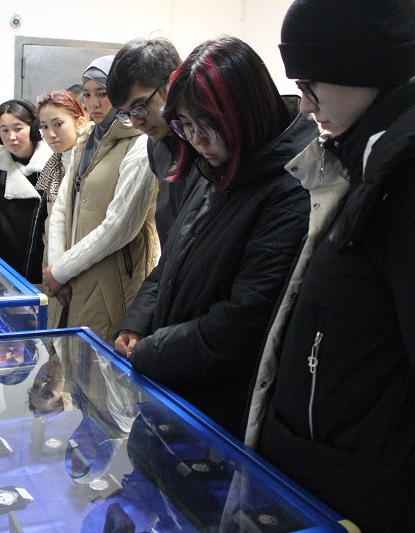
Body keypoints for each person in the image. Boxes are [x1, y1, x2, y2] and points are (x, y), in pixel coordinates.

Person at [243, 1, 415, 529]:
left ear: (362, 67)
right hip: (330, 497)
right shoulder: (372, 163)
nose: (303, 105)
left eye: (310, 84)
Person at [115, 37, 315, 437]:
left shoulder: (290, 189)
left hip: (220, 410)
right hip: (178, 383)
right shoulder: (215, 165)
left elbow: (242, 323)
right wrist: (137, 323)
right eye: (184, 126)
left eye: (205, 125)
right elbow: (172, 261)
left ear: (244, 111)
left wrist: (152, 351)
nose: (196, 139)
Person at [44, 56, 158, 376]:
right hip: (74, 274)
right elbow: (62, 208)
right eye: (87, 94)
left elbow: (120, 226)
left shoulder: (140, 144)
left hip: (113, 278)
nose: (94, 103)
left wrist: (61, 270)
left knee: (105, 374)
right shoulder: (87, 139)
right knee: (74, 368)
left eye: (103, 93)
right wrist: (57, 269)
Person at [107, 38, 188, 248]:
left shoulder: (207, 145)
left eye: (140, 106)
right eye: (126, 113)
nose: (135, 122)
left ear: (173, 82)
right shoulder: (156, 146)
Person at [0, 99, 53, 283]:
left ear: (33, 128)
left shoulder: (52, 164)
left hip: (44, 262)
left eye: (18, 128)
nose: (11, 137)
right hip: (3, 266)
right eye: (4, 130)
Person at [35, 90, 88, 328]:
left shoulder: (88, 160)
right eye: (44, 127)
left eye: (58, 124)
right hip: (54, 263)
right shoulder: (55, 163)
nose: (51, 134)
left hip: (81, 263)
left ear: (80, 121)